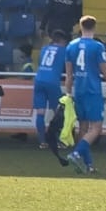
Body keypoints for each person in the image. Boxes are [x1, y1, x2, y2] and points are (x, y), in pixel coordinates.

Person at [64, 15, 106, 173]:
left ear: (80, 27)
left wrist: (68, 94)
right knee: (96, 128)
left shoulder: (71, 46)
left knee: (83, 127)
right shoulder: (97, 46)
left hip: (79, 90)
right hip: (92, 90)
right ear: (94, 27)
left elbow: (69, 75)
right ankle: (76, 154)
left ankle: (87, 164)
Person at [31, 28, 68, 159]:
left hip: (39, 79)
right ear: (63, 40)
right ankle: (57, 140)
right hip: (52, 81)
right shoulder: (63, 50)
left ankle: (42, 142)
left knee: (40, 112)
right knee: (58, 112)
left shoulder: (44, 48)